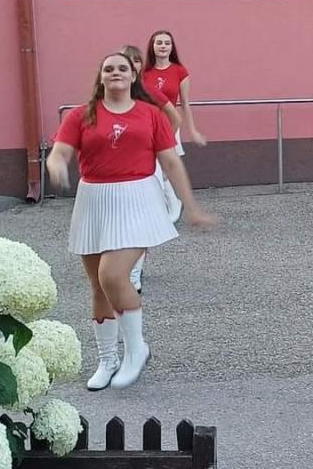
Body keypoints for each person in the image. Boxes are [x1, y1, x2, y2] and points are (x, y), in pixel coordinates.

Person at [46, 52, 216, 390]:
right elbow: (60, 152)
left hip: (137, 199)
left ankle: (136, 350)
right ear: (101, 76)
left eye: (122, 68)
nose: (116, 73)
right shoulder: (81, 115)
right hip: (94, 201)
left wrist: (191, 207)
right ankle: (107, 359)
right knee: (98, 287)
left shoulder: (150, 114)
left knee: (112, 275)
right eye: (109, 68)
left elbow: (171, 163)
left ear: (133, 75)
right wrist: (56, 165)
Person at [120, 44, 181, 293]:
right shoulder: (108, 93)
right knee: (121, 220)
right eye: (126, 61)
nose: (131, 65)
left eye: (136, 61)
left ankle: (134, 275)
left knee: (140, 220)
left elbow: (174, 118)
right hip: (118, 168)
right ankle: (125, 266)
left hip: (146, 165)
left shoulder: (148, 92)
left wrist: (162, 146)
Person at [142, 30, 206, 224]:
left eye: (167, 43)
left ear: (172, 47)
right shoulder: (144, 73)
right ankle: (167, 205)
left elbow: (185, 104)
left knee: (164, 168)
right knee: (151, 168)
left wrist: (192, 130)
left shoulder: (180, 71)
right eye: (159, 42)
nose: (163, 46)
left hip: (170, 124)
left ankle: (173, 204)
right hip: (147, 125)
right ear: (152, 46)